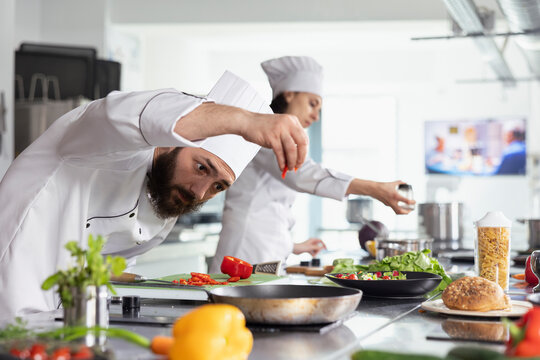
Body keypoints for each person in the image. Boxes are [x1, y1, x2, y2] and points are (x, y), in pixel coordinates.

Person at [0, 71, 309, 319]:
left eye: (218, 186)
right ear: (171, 137)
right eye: (202, 167)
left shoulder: (164, 202)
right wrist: (244, 121)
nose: (199, 192)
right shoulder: (100, 141)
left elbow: (110, 269)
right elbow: (122, 113)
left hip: (56, 322)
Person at [210, 56, 414, 272]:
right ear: (289, 94)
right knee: (234, 304)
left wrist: (295, 246)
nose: (316, 116)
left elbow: (269, 208)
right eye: (312, 104)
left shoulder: (279, 134)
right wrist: (375, 189)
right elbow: (302, 175)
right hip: (246, 250)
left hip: (264, 249)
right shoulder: (266, 130)